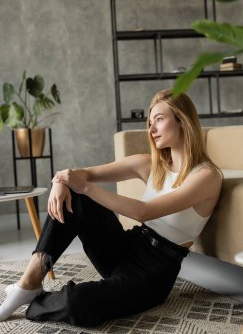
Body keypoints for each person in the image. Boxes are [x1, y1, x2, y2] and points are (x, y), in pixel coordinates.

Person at [0, 89, 222, 327]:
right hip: (126, 247)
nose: (151, 129)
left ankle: (38, 301)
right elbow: (81, 174)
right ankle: (28, 284)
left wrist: (83, 186)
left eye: (159, 119)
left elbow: (143, 211)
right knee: (75, 196)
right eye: (149, 122)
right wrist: (60, 181)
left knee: (78, 303)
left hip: (153, 273)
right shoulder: (149, 164)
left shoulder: (206, 176)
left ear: (182, 121)